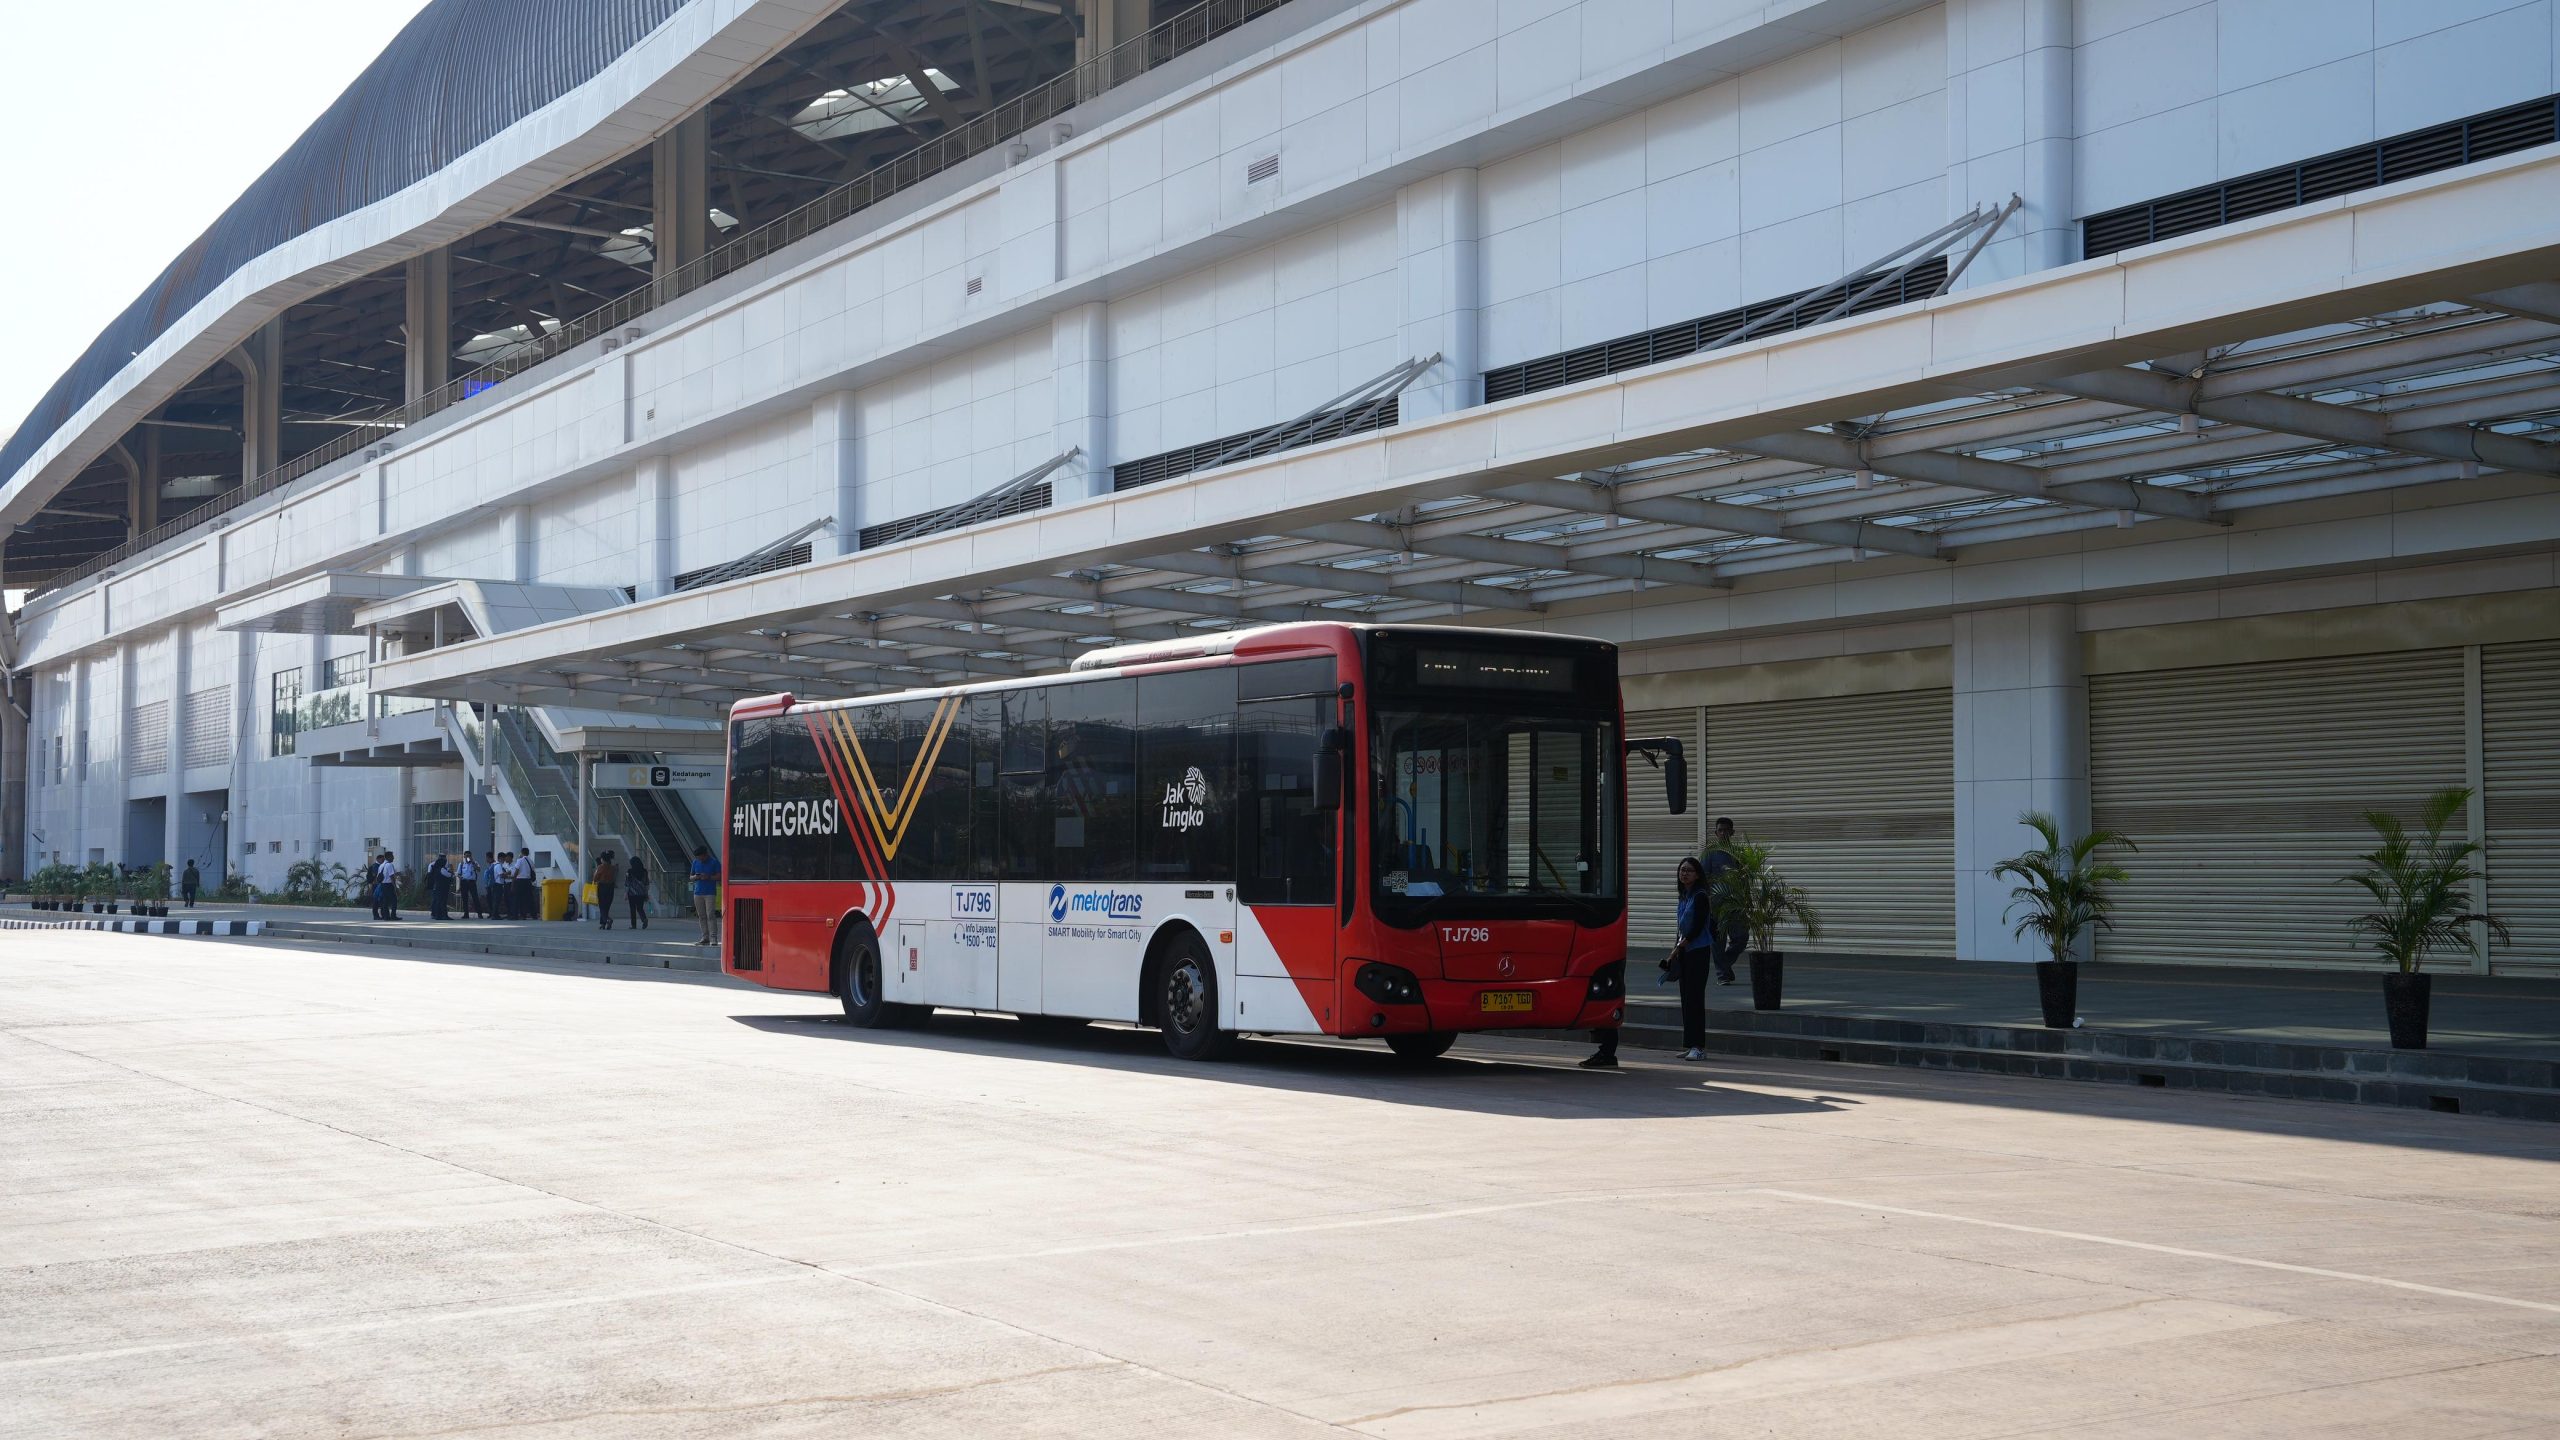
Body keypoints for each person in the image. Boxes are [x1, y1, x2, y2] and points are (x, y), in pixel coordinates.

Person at [1668, 855, 1717, 1061]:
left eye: (1688, 870)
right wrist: (1677, 948)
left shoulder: (1700, 896)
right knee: (1686, 998)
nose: (1684, 873)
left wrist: (1681, 945)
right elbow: (1682, 926)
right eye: (1682, 870)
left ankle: (1699, 1046)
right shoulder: (1684, 896)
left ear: (1697, 875)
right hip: (1685, 950)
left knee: (1695, 998)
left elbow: (1697, 927)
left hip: (1697, 951)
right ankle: (1689, 1045)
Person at [1700, 817, 1744, 986]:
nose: (1723, 833)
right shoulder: (1710, 854)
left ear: (1732, 832)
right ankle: (1722, 974)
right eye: (1720, 830)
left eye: (1727, 830)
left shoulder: (1738, 853)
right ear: (1716, 833)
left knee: (1741, 938)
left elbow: (1744, 878)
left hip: (1736, 903)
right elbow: (1703, 879)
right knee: (1718, 941)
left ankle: (1724, 964)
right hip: (1716, 904)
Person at [689, 845, 721, 947]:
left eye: (701, 857)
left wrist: (709, 877)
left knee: (710, 915)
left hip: (710, 892)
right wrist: (696, 877)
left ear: (705, 854)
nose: (699, 859)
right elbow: (691, 877)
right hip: (698, 892)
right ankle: (705, 937)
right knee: (701, 916)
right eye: (698, 857)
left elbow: (720, 876)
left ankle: (713, 938)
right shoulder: (695, 862)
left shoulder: (714, 862)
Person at [592, 850, 619, 930]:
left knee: (602, 906)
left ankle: (607, 919)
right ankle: (603, 924)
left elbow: (595, 878)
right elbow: (614, 878)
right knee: (607, 906)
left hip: (602, 887)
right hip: (610, 887)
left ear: (603, 859)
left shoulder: (601, 867)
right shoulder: (613, 868)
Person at [624, 855, 651, 930]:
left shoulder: (629, 871)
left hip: (632, 893)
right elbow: (647, 883)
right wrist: (646, 893)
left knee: (632, 909)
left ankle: (633, 925)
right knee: (640, 908)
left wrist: (626, 893)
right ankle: (644, 919)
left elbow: (627, 883)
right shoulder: (644, 871)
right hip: (641, 893)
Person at [375, 850, 402, 921]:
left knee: (385, 901)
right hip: (389, 885)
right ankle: (393, 915)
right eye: (392, 856)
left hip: (383, 885)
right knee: (394, 901)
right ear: (389, 857)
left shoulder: (381, 865)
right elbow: (392, 876)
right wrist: (395, 886)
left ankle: (386, 916)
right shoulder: (389, 865)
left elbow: (378, 876)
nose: (393, 858)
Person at [426, 854, 453, 921]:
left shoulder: (435, 868)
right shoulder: (442, 869)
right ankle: (444, 915)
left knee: (438, 901)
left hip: (437, 887)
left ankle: (437, 915)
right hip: (442, 888)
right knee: (442, 901)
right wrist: (451, 871)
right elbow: (449, 875)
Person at [457, 852, 480, 919]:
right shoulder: (461, 864)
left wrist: (472, 862)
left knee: (475, 897)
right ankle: (466, 914)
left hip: (472, 882)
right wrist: (460, 877)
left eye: (469, 856)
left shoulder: (475, 863)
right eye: (466, 856)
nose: (468, 857)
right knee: (464, 898)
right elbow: (458, 873)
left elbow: (478, 870)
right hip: (464, 882)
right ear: (464, 856)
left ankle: (479, 913)